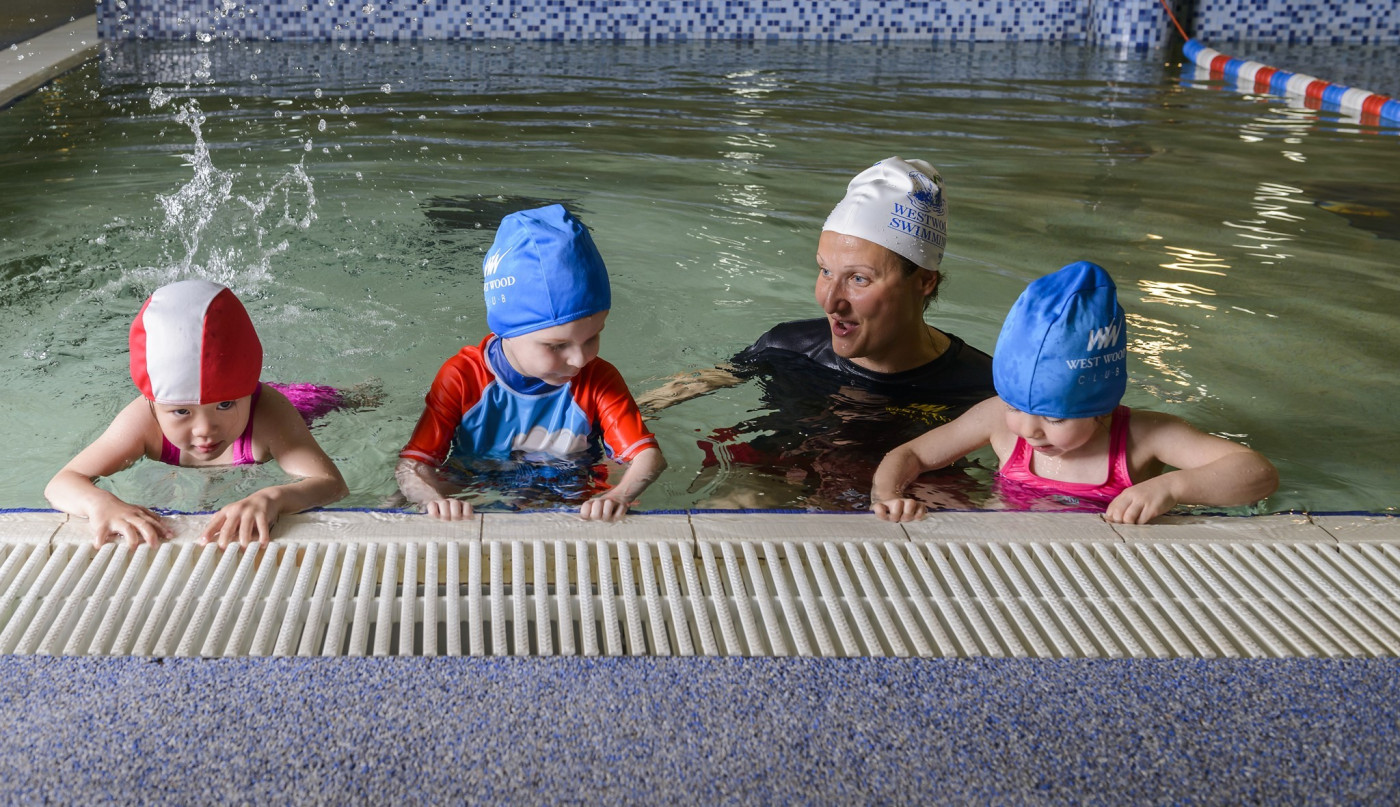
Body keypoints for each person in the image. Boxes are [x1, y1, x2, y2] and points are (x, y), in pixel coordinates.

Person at [635, 157, 994, 506]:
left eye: (858, 278)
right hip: (776, 474)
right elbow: (708, 380)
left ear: (924, 282)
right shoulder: (790, 347)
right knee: (738, 504)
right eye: (825, 271)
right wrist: (630, 412)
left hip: (906, 499)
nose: (830, 301)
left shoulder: (983, 386)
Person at [871, 261, 1279, 524]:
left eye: (1055, 417)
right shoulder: (998, 419)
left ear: (1102, 405)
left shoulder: (1145, 437)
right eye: (1017, 406)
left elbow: (1257, 473)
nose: (1029, 430)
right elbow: (909, 455)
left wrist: (1170, 489)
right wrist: (890, 497)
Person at [396, 204, 666, 522]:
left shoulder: (599, 378)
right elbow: (412, 464)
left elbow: (648, 457)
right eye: (557, 345)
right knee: (397, 502)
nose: (579, 359)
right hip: (479, 489)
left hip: (574, 493)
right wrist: (432, 499)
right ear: (505, 330)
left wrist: (618, 495)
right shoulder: (463, 377)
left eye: (593, 337)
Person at [45, 279, 350, 549]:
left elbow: (331, 484)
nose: (205, 429)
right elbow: (62, 483)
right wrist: (101, 503)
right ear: (153, 402)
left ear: (247, 392)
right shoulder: (143, 420)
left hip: (302, 404)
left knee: (355, 398)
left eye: (225, 405)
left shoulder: (269, 414)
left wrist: (272, 498)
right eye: (181, 411)